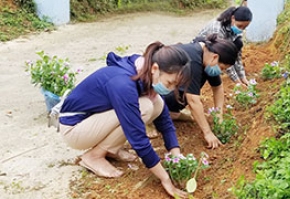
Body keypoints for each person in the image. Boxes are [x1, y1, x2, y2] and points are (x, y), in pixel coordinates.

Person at [59, 41, 191, 198]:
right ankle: (93, 157)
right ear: (155, 68)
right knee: (144, 108)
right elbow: (138, 139)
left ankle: (110, 150)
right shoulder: (123, 84)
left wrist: (175, 153)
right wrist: (165, 179)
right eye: (170, 83)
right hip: (74, 129)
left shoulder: (143, 69)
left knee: (156, 104)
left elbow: (164, 119)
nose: (170, 90)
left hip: (93, 120)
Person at [163, 33, 239, 149]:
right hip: (149, 92)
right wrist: (208, 133)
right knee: (184, 94)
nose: (221, 72)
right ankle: (151, 120)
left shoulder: (206, 56)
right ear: (215, 57)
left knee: (183, 93)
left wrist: (218, 115)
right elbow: (193, 100)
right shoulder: (193, 61)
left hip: (168, 90)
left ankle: (170, 113)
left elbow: (217, 87)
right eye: (222, 68)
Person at [195, 6, 253, 86]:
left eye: (244, 27)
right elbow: (225, 58)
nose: (241, 29)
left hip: (215, 55)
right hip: (202, 55)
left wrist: (243, 78)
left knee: (238, 43)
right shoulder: (217, 29)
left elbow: (237, 56)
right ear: (233, 18)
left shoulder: (237, 31)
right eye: (240, 26)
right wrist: (237, 82)